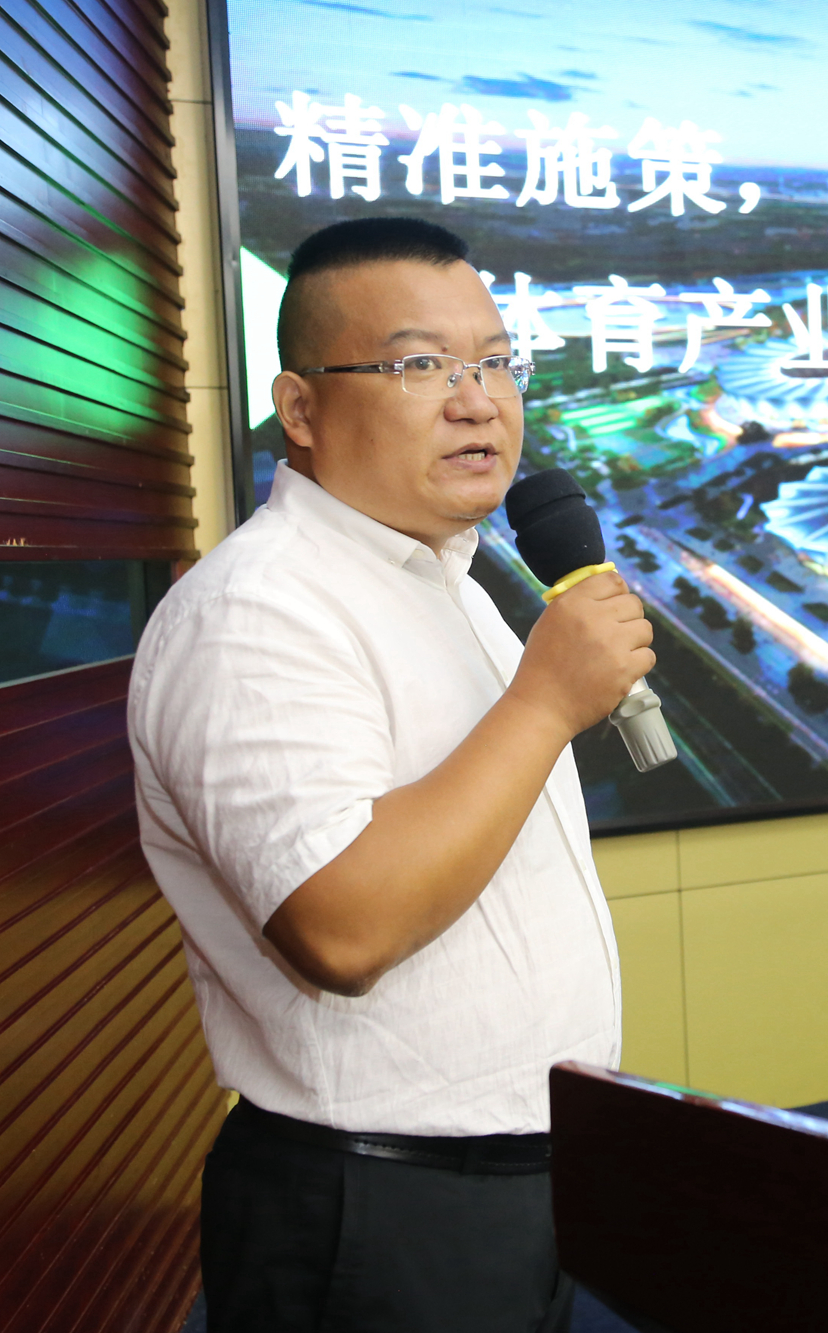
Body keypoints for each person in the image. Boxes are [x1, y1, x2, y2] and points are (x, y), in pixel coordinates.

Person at [127, 216, 653, 1333]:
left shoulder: (448, 581)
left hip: (521, 1177)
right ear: (300, 408)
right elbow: (343, 926)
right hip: (376, 1205)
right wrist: (545, 704)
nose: (478, 401)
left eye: (496, 362)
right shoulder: (255, 611)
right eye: (420, 366)